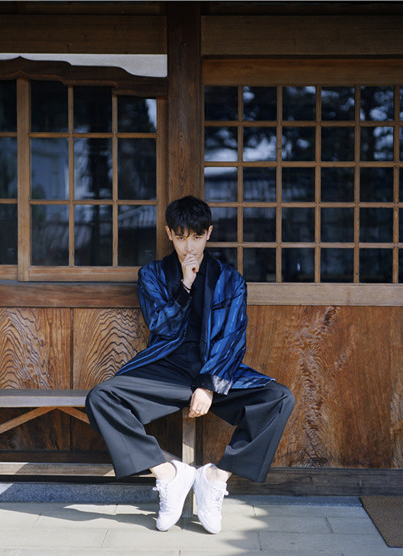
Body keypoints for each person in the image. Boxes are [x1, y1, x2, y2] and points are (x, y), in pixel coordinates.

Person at [86, 195, 295, 534]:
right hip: (166, 369)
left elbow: (232, 338)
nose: (189, 246)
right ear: (169, 234)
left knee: (280, 398)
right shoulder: (152, 274)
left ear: (208, 233)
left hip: (215, 370)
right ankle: (170, 473)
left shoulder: (230, 280)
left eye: (197, 237)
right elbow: (161, 326)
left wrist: (208, 385)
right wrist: (184, 285)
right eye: (181, 237)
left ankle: (214, 478)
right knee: (101, 398)